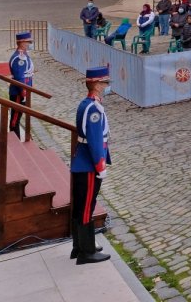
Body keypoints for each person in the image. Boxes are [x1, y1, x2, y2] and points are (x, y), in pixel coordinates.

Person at [70, 66, 112, 264]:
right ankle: (86, 252)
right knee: (87, 207)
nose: (106, 86)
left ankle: (79, 246)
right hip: (89, 164)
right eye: (104, 82)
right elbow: (95, 140)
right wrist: (100, 165)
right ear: (95, 84)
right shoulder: (93, 108)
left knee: (81, 206)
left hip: (83, 161)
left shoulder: (87, 104)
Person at [8, 32, 34, 139]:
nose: (29, 44)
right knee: (15, 118)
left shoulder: (23, 55)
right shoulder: (20, 58)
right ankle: (15, 140)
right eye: (28, 42)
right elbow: (19, 77)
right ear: (22, 42)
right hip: (18, 92)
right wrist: (23, 93)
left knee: (17, 116)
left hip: (22, 91)